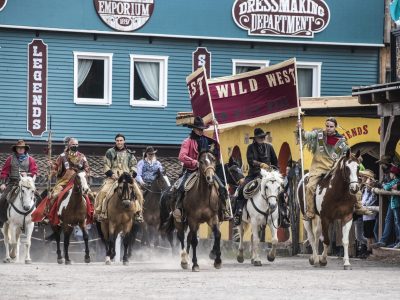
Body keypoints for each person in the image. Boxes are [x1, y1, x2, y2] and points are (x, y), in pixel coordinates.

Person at [296, 117, 371, 220]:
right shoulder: (318, 135)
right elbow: (307, 136)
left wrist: (355, 157)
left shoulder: (342, 141)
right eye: (327, 126)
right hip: (318, 167)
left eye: (331, 126)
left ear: (335, 127)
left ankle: (359, 205)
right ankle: (310, 211)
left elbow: (347, 154)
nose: (329, 128)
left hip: (333, 168)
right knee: (309, 187)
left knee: (353, 183)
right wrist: (301, 129)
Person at [172, 116, 231, 222]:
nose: (201, 131)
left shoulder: (206, 141)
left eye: (202, 129)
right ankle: (179, 209)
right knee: (181, 187)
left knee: (222, 187)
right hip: (191, 170)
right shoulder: (188, 142)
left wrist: (216, 129)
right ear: (194, 129)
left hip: (207, 170)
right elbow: (181, 156)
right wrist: (194, 162)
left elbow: (215, 145)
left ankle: (223, 210)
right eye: (199, 129)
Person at [233, 127, 278, 226]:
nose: (262, 139)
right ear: (255, 139)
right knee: (242, 188)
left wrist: (275, 172)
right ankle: (238, 212)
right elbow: (250, 160)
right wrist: (261, 164)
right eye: (260, 137)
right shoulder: (250, 148)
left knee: (280, 189)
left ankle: (283, 213)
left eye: (263, 137)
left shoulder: (269, 147)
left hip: (268, 175)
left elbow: (275, 161)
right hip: (254, 174)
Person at [94, 133, 143, 222]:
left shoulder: (129, 153)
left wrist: (131, 175)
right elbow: (106, 166)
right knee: (103, 192)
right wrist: (112, 175)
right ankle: (101, 212)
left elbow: (134, 165)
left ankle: (138, 213)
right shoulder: (110, 152)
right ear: (115, 141)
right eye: (117, 140)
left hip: (127, 178)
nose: (119, 142)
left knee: (139, 193)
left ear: (124, 141)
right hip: (113, 178)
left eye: (121, 140)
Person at [44, 137, 90, 219]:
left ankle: (92, 215)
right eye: (73, 144)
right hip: (64, 182)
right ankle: (50, 215)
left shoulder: (82, 157)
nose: (75, 146)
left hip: (79, 182)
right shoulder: (62, 156)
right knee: (54, 195)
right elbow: (55, 168)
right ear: (69, 145)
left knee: (90, 195)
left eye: (76, 144)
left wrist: (84, 173)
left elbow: (87, 169)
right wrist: (51, 167)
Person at [0, 140, 38, 224]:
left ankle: (38, 218)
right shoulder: (10, 159)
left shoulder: (31, 159)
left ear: (25, 149)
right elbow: (4, 171)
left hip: (26, 184)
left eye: (22, 148)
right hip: (13, 183)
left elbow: (34, 172)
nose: (20, 149)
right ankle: (3, 219)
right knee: (2, 199)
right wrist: (3, 183)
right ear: (16, 149)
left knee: (39, 198)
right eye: (19, 148)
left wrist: (28, 174)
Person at [372, 165, 400, 249]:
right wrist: (384, 185)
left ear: (393, 174)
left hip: (396, 204)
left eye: (391, 173)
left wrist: (383, 185)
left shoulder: (396, 181)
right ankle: (390, 241)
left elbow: (387, 187)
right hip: (393, 204)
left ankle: (398, 241)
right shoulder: (394, 180)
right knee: (393, 222)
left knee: (397, 223)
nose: (390, 175)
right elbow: (387, 186)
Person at [359, 169, 378, 256]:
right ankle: (368, 249)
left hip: (370, 213)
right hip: (366, 213)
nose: (361, 178)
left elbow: (373, 199)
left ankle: (370, 250)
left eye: (363, 176)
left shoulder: (371, 188)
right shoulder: (365, 188)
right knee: (367, 234)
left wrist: (365, 205)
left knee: (370, 233)